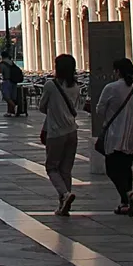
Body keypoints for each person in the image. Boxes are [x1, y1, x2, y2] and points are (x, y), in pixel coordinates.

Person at [93, 57, 133, 216]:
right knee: (126, 168)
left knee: (112, 169)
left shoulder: (111, 88)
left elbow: (100, 110)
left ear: (117, 71)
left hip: (115, 135)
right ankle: (125, 203)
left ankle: (128, 195)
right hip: (132, 136)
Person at [40, 54, 82, 216]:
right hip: (72, 131)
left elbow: (42, 107)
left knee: (51, 167)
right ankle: (64, 204)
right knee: (66, 169)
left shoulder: (51, 85)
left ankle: (64, 195)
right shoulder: (76, 86)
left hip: (56, 132)